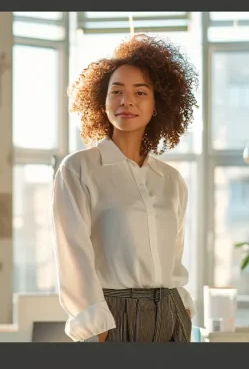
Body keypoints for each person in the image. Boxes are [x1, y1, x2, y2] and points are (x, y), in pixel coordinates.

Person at [51, 34, 199, 343]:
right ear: (101, 101)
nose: (126, 101)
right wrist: (99, 327)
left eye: (140, 92)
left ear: (157, 104)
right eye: (116, 91)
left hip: (172, 314)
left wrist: (182, 306)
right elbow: (73, 253)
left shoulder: (171, 180)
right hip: (115, 316)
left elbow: (174, 255)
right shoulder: (79, 169)